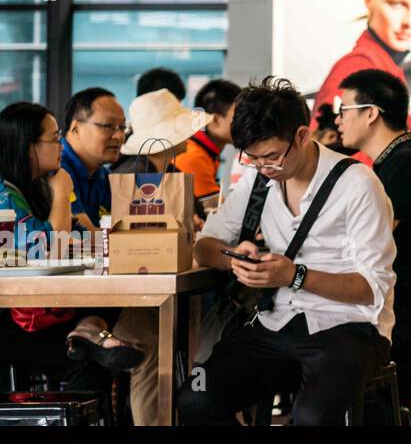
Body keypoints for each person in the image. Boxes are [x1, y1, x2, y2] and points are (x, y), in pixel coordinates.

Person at [179, 77, 396, 426]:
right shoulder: (258, 179)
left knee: (311, 417)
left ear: (301, 136)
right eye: (253, 158)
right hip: (275, 325)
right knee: (196, 397)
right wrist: (235, 257)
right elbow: (205, 246)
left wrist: (293, 276)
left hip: (350, 329)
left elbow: (373, 289)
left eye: (272, 156)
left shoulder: (357, 185)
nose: (265, 168)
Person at [0, 102, 143, 398]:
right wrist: (63, 191)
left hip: (41, 310)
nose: (61, 146)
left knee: (114, 295)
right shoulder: (4, 193)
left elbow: (82, 240)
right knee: (90, 361)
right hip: (10, 320)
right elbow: (48, 251)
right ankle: (87, 332)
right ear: (27, 146)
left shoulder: (36, 188)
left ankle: (88, 330)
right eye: (54, 139)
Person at [336, 68, 411, 400]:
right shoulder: (396, 160)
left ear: (371, 113)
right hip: (403, 299)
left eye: (344, 110)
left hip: (409, 309)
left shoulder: (405, 165)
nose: (338, 121)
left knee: (318, 343)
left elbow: (370, 238)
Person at [111, 88, 212, 425]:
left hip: (147, 283)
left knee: (158, 341)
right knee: (151, 346)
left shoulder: (160, 169)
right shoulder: (136, 173)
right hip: (132, 288)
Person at [311, 0, 411, 146]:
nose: (409, 22)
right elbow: (330, 160)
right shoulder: (359, 69)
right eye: (397, 4)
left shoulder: (383, 69)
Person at [52, 87, 125, 233]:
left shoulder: (104, 176)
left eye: (122, 127)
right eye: (108, 126)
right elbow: (85, 234)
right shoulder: (55, 169)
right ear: (76, 128)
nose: (118, 136)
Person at [176, 78, 241, 215]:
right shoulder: (193, 156)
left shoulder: (203, 150)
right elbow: (220, 215)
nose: (246, 123)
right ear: (215, 119)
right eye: (239, 117)